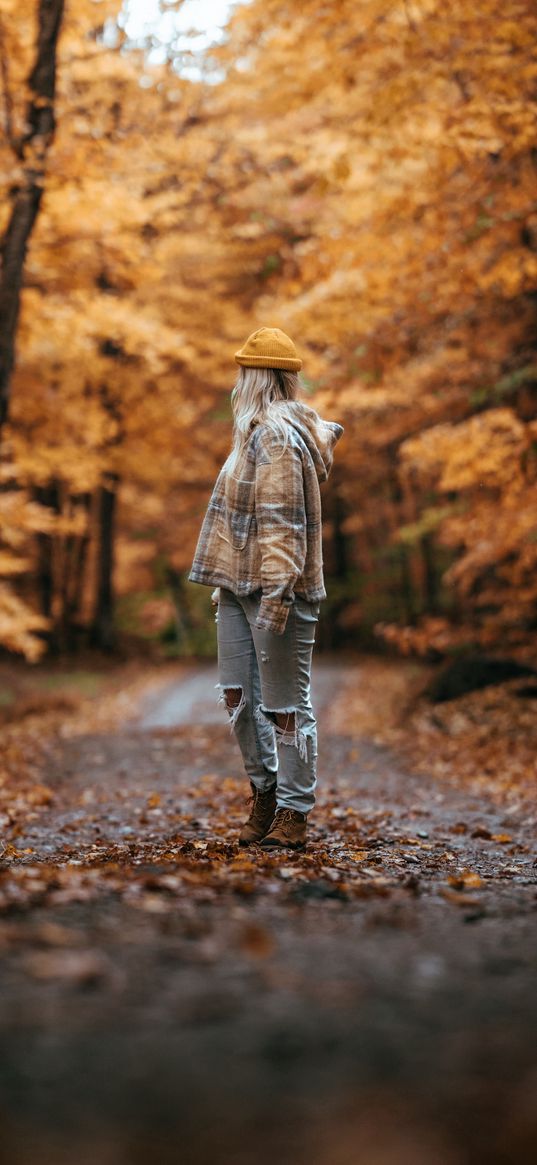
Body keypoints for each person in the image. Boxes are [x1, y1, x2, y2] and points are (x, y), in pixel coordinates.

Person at [188, 327, 344, 850]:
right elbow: (246, 523)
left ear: (257, 377)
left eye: (242, 372)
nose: (236, 382)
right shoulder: (253, 433)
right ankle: (266, 792)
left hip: (276, 590)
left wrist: (276, 596)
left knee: (283, 706)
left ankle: (294, 812)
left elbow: (281, 523)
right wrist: (228, 583)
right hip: (237, 589)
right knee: (237, 698)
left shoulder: (275, 435)